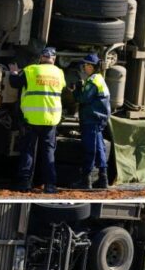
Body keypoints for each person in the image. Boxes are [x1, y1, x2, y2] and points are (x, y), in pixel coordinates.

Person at [9, 47, 67, 194]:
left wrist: (14, 72)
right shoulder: (59, 73)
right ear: (54, 59)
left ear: (41, 57)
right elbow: (63, 88)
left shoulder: (31, 70)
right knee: (48, 152)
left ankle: (24, 183)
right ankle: (50, 185)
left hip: (32, 118)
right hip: (51, 119)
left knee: (28, 150)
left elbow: (15, 83)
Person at [70, 53, 111, 189]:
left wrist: (75, 91)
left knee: (90, 148)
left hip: (91, 119)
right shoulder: (98, 79)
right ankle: (103, 178)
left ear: (91, 66)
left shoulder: (93, 80)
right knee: (99, 148)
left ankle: (86, 180)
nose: (84, 68)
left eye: (85, 65)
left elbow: (83, 99)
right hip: (97, 119)